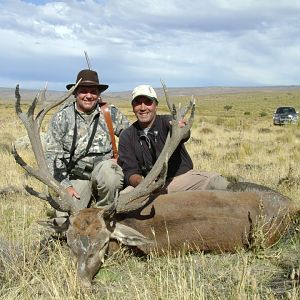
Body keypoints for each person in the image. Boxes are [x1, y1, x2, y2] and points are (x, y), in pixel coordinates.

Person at [45, 69, 130, 212]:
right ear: (75, 93)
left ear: (98, 94)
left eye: (93, 91)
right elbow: (51, 157)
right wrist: (66, 186)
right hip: (75, 177)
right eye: (84, 91)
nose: (89, 96)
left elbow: (131, 138)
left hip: (104, 172)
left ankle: (105, 214)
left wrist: (121, 158)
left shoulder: (110, 113)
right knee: (64, 219)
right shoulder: (61, 118)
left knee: (110, 174)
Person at [118, 84, 229, 193]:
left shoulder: (167, 122)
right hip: (146, 186)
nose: (143, 108)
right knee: (122, 202)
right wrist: (142, 183)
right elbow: (130, 172)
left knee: (217, 183)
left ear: (155, 105)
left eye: (148, 102)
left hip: (179, 180)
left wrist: (180, 130)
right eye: (138, 103)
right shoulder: (127, 136)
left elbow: (184, 134)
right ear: (133, 107)